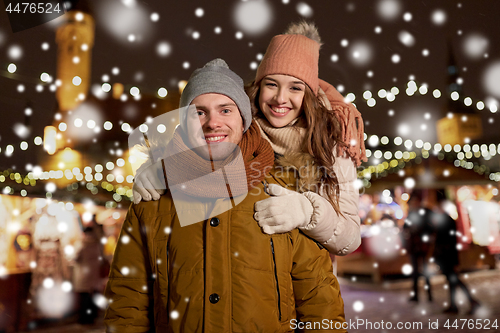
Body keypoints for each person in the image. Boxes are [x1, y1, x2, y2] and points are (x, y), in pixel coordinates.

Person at [104, 59, 347, 332]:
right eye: (199, 112)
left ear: (243, 119)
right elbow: (127, 305)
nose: (213, 123)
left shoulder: (283, 192)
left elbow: (319, 300)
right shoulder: (151, 201)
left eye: (225, 110)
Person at [133, 21, 366, 272]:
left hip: (308, 279)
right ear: (258, 87)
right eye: (272, 84)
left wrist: (307, 212)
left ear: (308, 95)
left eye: (295, 88)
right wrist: (160, 169)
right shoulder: (240, 129)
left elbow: (350, 239)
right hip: (247, 276)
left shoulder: (331, 145)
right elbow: (198, 157)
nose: (280, 98)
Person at [432, 192, 480, 314]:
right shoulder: (444, 221)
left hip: (447, 256)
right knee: (452, 281)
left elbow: (449, 242)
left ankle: (471, 301)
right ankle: (455, 304)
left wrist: (451, 259)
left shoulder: (446, 221)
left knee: (454, 280)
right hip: (446, 256)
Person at [403, 191, 434, 302]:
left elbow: (430, 228)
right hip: (414, 247)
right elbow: (405, 228)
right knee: (415, 272)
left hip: (423, 246)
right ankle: (416, 295)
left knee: (425, 271)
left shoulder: (425, 213)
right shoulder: (411, 214)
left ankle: (429, 295)